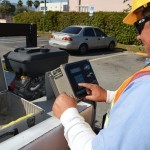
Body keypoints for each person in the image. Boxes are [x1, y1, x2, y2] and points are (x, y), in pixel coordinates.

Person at [52, 0, 150, 149]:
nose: (138, 36)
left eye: (139, 26)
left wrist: (68, 114)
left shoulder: (146, 91)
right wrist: (108, 95)